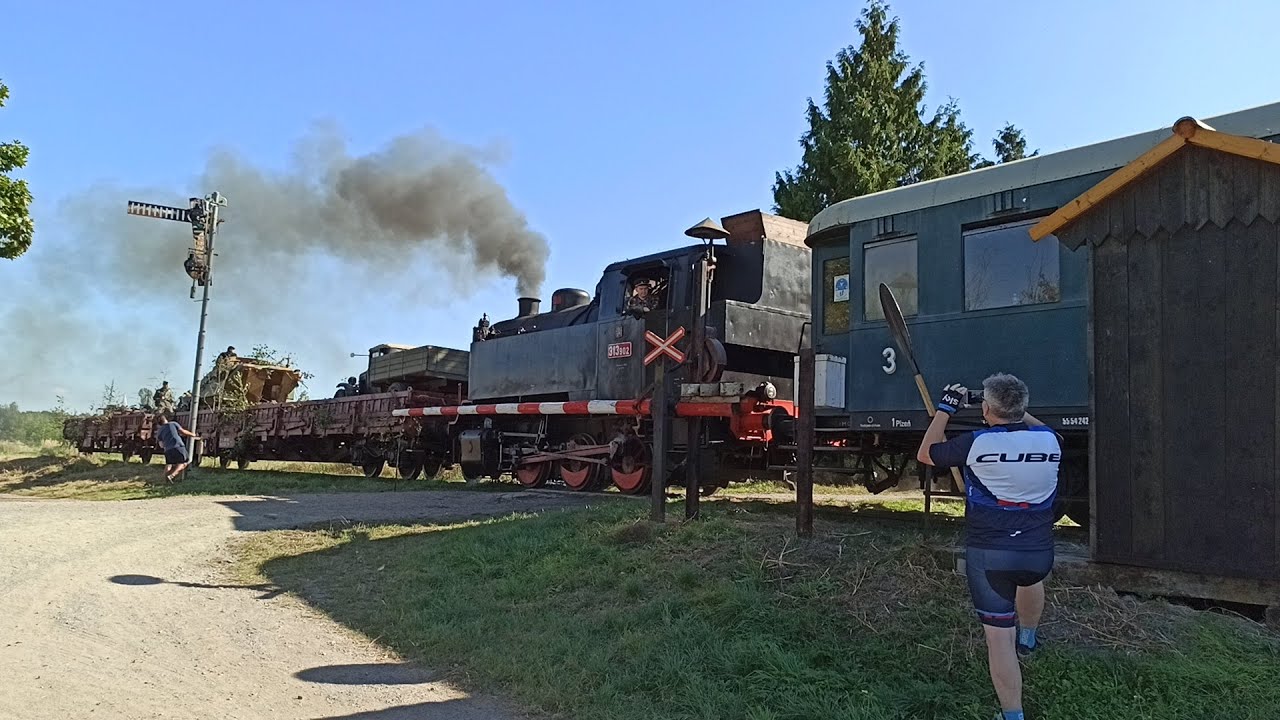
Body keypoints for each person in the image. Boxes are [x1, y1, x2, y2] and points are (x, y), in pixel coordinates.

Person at [916, 373, 1061, 720]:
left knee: (998, 639)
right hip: (1038, 554)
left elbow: (926, 454)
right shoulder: (1050, 440)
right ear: (1022, 407)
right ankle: (1029, 638)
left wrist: (945, 409)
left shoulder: (976, 442)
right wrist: (1016, 410)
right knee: (1028, 580)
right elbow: (1033, 425)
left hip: (990, 558)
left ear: (986, 408)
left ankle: (1013, 715)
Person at [153, 412, 198, 482]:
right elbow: (182, 431)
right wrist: (193, 434)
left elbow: (161, 444)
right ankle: (172, 476)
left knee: (169, 464)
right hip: (178, 446)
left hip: (167, 450)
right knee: (184, 462)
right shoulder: (173, 424)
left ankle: (165, 480)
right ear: (165, 419)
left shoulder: (160, 431)